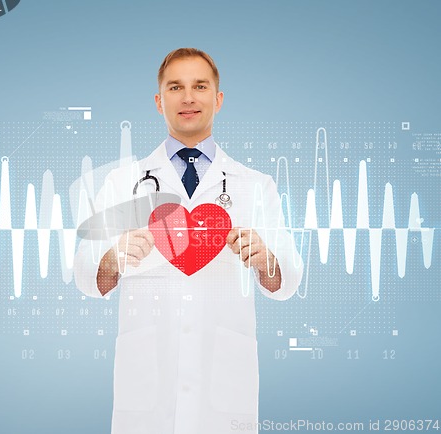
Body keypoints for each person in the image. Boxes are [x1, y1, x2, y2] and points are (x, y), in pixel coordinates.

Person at [74, 48, 303, 434]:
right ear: (159, 101)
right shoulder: (121, 182)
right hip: (146, 383)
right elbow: (84, 275)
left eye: (200, 86)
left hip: (225, 380)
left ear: (218, 99)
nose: (188, 97)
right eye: (175, 87)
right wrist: (111, 259)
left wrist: (267, 260)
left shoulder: (255, 185)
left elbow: (288, 281)